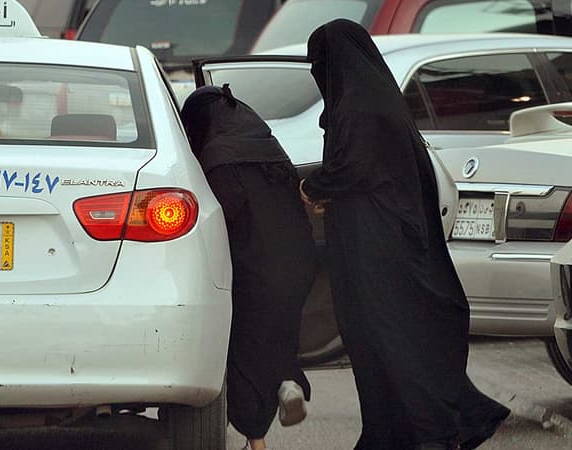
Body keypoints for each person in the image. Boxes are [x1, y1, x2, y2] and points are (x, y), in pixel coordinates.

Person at [299, 19, 511, 450]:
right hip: (383, 241)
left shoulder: (360, 109)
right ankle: (403, 432)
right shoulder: (372, 100)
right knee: (388, 338)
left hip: (378, 249)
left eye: (318, 63)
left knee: (390, 338)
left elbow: (353, 169)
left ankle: (432, 432)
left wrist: (312, 188)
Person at [181, 84, 316, 450]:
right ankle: (289, 381)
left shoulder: (218, 157)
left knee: (242, 350)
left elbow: (221, 220)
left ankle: (256, 442)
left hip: (254, 269)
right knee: (279, 336)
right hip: (300, 262)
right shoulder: (271, 149)